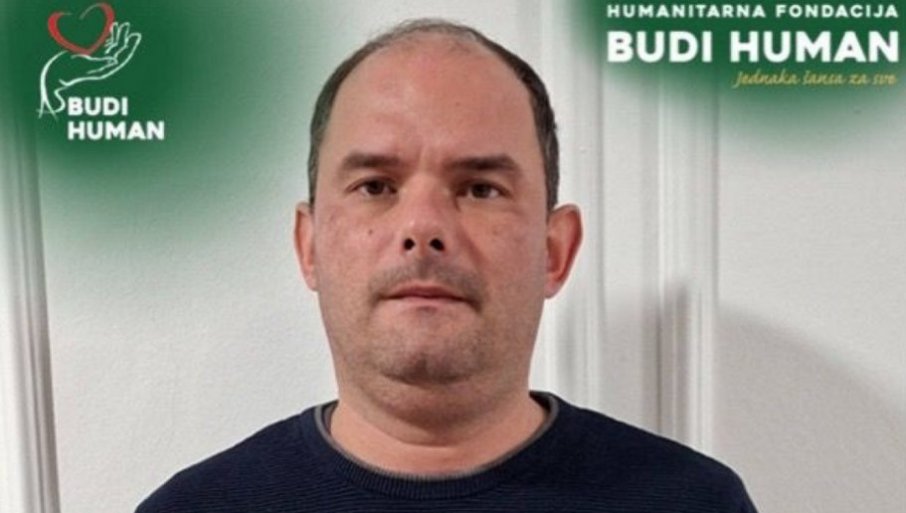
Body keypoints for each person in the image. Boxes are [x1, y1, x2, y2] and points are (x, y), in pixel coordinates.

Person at [136, 19, 757, 512]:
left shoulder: (693, 502)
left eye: (480, 188)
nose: (423, 227)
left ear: (555, 251)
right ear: (310, 245)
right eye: (376, 186)